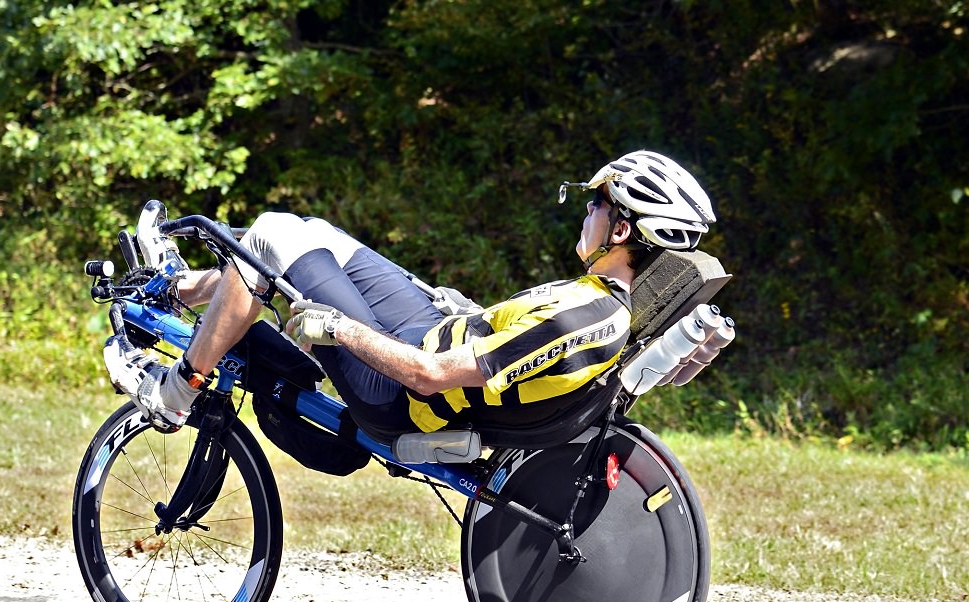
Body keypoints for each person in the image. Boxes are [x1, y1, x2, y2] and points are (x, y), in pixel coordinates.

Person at [104, 150, 716, 442]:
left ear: (622, 230)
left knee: (269, 233)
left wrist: (337, 330)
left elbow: (431, 375)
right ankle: (176, 283)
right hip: (432, 328)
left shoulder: (587, 314)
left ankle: (176, 391)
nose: (586, 209)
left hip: (399, 394)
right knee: (313, 237)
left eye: (598, 203)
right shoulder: (601, 299)